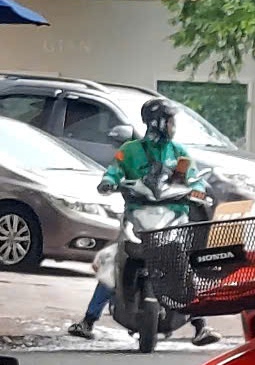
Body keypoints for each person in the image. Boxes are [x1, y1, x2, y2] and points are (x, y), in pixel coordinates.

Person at [68, 98, 220, 346]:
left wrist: (198, 190)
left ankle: (201, 325)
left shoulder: (179, 153)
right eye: (170, 121)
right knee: (114, 262)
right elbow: (115, 169)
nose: (173, 126)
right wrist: (108, 181)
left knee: (186, 265)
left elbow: (194, 178)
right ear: (158, 123)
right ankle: (88, 321)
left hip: (172, 214)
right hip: (138, 213)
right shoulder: (129, 150)